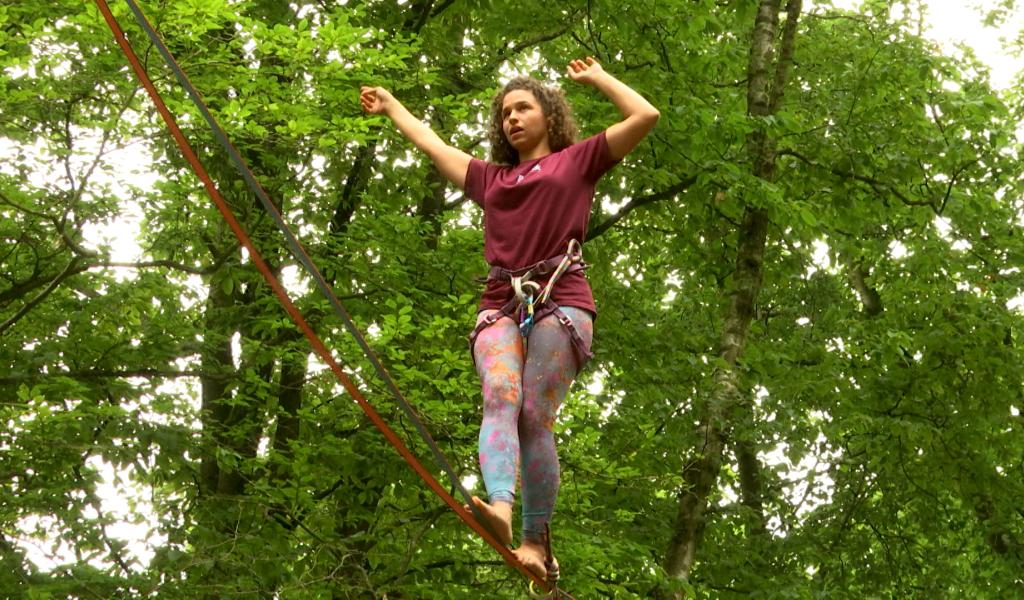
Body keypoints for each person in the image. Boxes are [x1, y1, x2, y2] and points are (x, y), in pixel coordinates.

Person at [360, 57, 658, 579]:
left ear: (549, 115)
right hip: (501, 300)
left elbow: (644, 116)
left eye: (523, 108)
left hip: (561, 298)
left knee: (533, 418)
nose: (512, 119)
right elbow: (433, 144)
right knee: (500, 396)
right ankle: (499, 506)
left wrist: (599, 78)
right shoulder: (491, 180)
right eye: (504, 114)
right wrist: (391, 107)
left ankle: (536, 543)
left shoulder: (578, 161)